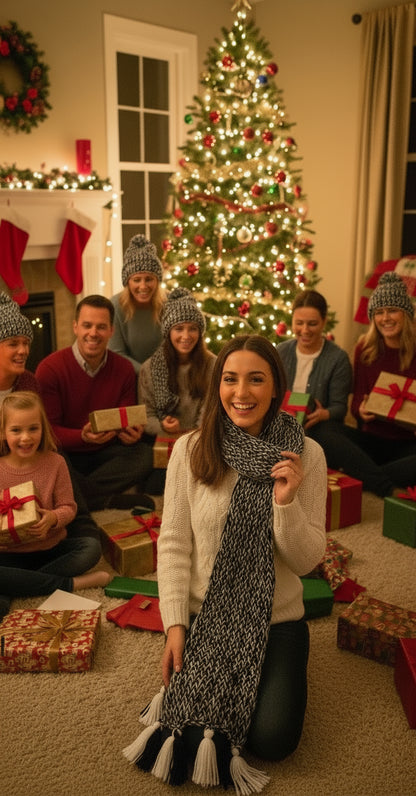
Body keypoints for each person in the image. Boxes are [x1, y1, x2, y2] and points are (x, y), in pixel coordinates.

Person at [123, 335, 327, 793]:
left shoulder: (306, 455)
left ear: (276, 388)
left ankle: (280, 670)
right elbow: (173, 544)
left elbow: (308, 559)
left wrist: (286, 503)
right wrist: (175, 625)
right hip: (207, 615)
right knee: (197, 730)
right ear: (218, 385)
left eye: (257, 380)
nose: (242, 393)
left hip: (278, 619)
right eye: (231, 379)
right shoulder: (190, 450)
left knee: (273, 740)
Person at [35, 294, 154, 511]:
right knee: (50, 461)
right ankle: (105, 499)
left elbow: (124, 417)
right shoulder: (49, 369)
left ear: (111, 331)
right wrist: (81, 436)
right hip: (67, 453)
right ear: (75, 327)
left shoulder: (124, 369)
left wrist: (131, 435)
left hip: (107, 453)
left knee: (144, 455)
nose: (93, 333)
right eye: (87, 325)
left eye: (101, 327)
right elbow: (48, 431)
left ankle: (83, 497)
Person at [0, 291, 102, 540]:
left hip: (28, 456)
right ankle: (100, 496)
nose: (23, 350)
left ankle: (80, 520)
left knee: (58, 457)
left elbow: (39, 434)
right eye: (13, 343)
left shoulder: (28, 381)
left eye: (26, 343)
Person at [0, 392, 110, 620]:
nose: (26, 438)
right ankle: (69, 584)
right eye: (16, 430)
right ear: (3, 432)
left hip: (51, 550)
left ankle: (17, 583)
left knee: (91, 548)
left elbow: (69, 507)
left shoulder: (55, 462)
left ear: (44, 428)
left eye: (33, 428)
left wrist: (52, 518)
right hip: (8, 555)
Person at [341, 271, 416, 493]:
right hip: (370, 440)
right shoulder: (364, 349)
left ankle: (365, 476)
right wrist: (361, 411)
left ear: (406, 314)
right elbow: (355, 407)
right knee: (323, 432)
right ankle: (386, 483)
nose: (386, 318)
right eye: (379, 312)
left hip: (407, 444)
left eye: (393, 310)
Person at [277, 289, 353, 458]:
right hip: (280, 425)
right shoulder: (281, 351)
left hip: (318, 430)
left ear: (324, 321)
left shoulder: (337, 358)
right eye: (299, 323)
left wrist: (324, 413)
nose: (304, 330)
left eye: (312, 324)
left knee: (324, 434)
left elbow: (340, 407)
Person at [139, 287, 216, 436]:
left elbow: (210, 412)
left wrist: (193, 438)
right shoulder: (149, 368)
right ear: (169, 332)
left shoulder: (212, 364)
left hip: (200, 439)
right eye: (179, 329)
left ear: (200, 333)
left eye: (192, 329)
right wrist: (163, 426)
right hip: (163, 440)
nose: (186, 336)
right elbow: (146, 416)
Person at [108, 234, 166, 373]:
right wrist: (148, 374)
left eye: (149, 279)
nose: (143, 286)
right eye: (137, 279)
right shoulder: (115, 306)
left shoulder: (169, 303)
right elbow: (117, 353)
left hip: (167, 374)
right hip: (130, 376)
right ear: (128, 282)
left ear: (157, 281)